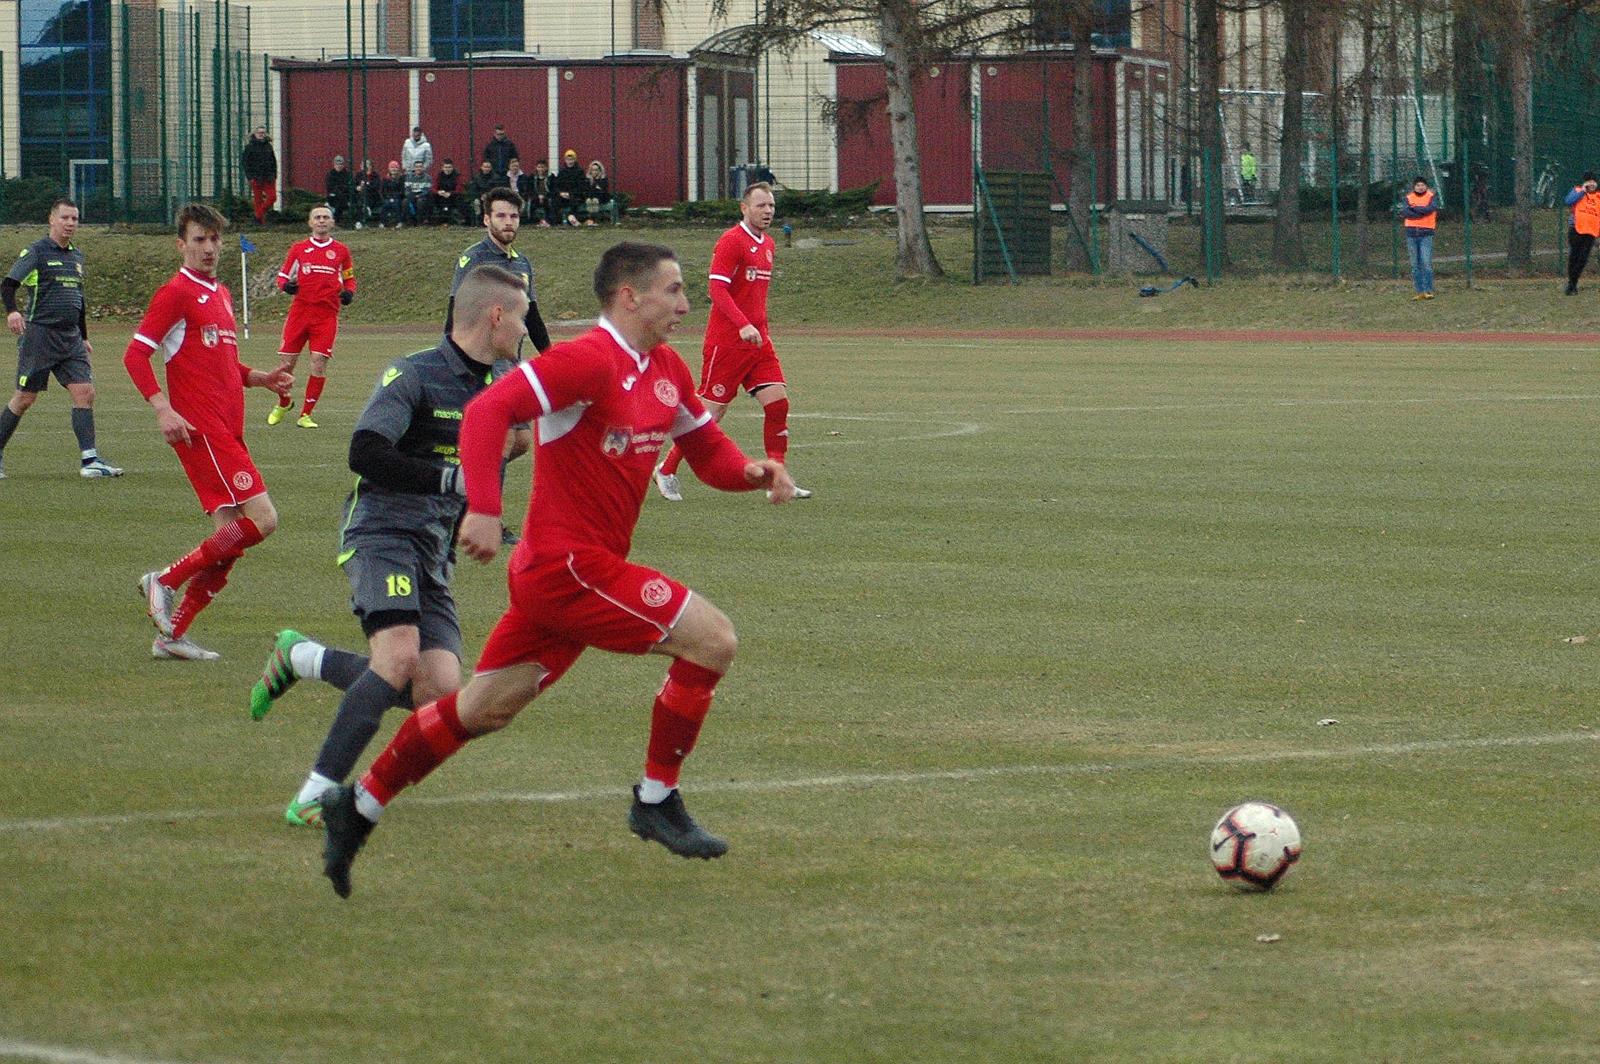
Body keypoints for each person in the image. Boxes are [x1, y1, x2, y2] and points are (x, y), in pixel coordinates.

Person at [316, 241, 798, 898]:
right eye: (675, 290)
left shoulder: (666, 371)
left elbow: (708, 453)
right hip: (569, 566)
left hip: (566, 578)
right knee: (714, 639)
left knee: (481, 710)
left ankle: (359, 806)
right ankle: (656, 799)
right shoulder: (585, 360)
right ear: (630, 296)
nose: (687, 304)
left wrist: (751, 471)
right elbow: (490, 411)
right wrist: (483, 508)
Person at [248, 266, 528, 826]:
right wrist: (450, 481)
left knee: (439, 693)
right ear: (495, 315)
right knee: (397, 656)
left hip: (432, 547)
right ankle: (315, 792)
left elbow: (508, 443)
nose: (525, 330)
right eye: (520, 317)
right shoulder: (413, 374)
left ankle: (302, 657)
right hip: (382, 530)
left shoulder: (502, 382)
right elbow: (365, 452)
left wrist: (489, 505)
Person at [122, 203, 293, 661]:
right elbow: (135, 356)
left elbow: (221, 364)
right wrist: (162, 409)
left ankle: (171, 636)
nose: (209, 247)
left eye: (215, 239)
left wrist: (260, 378)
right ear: (181, 245)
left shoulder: (218, 292)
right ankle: (165, 580)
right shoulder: (175, 293)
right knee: (264, 519)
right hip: (202, 430)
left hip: (228, 430)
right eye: (199, 239)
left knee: (228, 544)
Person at [655, 182, 811, 502]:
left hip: (758, 342)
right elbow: (717, 291)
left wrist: (758, 329)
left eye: (770, 206)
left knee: (778, 403)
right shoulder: (731, 241)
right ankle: (666, 470)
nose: (767, 211)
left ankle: (777, 478)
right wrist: (741, 326)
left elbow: (754, 296)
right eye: (760, 206)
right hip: (727, 343)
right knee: (709, 416)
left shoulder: (768, 243)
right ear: (744, 208)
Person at [445, 186, 554, 545]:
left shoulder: (522, 264)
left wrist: (549, 354)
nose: (508, 223)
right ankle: (484, 517)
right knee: (504, 438)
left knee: (521, 441)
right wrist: (454, 358)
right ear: (486, 219)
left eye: (513, 217)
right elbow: (456, 309)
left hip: (512, 362)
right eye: (501, 216)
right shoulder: (474, 259)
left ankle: (461, 494)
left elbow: (532, 314)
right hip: (482, 360)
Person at [0, 198, 122, 480]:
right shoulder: (36, 252)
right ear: (52, 220)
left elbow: (78, 299)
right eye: (65, 218)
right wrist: (13, 312)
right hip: (40, 336)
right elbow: (8, 285)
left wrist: (84, 336)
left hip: (70, 339)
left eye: (75, 219)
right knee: (24, 399)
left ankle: (90, 460)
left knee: (85, 392)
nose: (70, 223)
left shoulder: (76, 257)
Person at [268, 205, 356, 429]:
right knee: (286, 366)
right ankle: (284, 402)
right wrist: (286, 286)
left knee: (318, 362)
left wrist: (349, 293)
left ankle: (306, 414)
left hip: (326, 316)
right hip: (300, 313)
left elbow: (349, 278)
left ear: (332, 222)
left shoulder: (341, 251)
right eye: (317, 217)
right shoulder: (299, 249)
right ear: (310, 223)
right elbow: (282, 277)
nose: (321, 221)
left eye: (326, 217)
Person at [1401, 176, 1438, 301]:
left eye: (1422, 185)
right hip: (1411, 234)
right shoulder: (1408, 198)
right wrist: (1421, 212)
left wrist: (1415, 209)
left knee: (1426, 262)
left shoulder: (1431, 196)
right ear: (1414, 187)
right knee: (1415, 265)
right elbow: (1406, 212)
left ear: (1426, 186)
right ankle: (1419, 291)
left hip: (1426, 234)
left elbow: (1430, 209)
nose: (1420, 187)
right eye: (1418, 185)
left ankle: (1428, 290)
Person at [1564, 173, 1600, 295]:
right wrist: (1582, 192)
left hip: (1591, 232)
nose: (1592, 183)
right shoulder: (1577, 190)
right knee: (1574, 256)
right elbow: (1568, 201)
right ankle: (1572, 284)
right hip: (1576, 229)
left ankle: (1572, 283)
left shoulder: (1598, 197)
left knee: (1582, 259)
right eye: (1589, 181)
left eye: (1594, 181)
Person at [241, 126, 278, 224]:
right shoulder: (249, 147)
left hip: (269, 178)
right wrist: (250, 177)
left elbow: (273, 161)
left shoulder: (268, 146)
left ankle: (257, 215)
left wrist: (274, 175)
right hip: (256, 178)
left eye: (263, 132)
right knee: (258, 200)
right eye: (259, 133)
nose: (261, 134)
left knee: (272, 197)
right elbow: (245, 163)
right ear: (254, 134)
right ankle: (260, 221)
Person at [551, 148, 586, 226]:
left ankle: (572, 218)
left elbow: (581, 187)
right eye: (568, 159)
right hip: (563, 195)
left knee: (575, 201)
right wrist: (561, 193)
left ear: (575, 160)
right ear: (565, 160)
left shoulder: (580, 172)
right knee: (554, 201)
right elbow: (557, 185)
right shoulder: (562, 172)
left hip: (575, 195)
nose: (570, 161)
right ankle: (556, 221)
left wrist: (570, 194)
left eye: (571, 159)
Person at [325, 156, 356, 227]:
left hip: (346, 195)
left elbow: (350, 186)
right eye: (337, 164)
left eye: (341, 164)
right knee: (340, 200)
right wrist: (341, 189)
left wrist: (343, 188)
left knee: (347, 200)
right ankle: (336, 221)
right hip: (334, 196)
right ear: (334, 164)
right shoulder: (330, 174)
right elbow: (331, 187)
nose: (339, 166)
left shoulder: (347, 174)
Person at [582, 160, 612, 225]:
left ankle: (595, 220)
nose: (594, 172)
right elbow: (586, 190)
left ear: (600, 170)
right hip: (590, 197)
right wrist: (595, 188)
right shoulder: (587, 179)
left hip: (602, 198)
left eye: (596, 170)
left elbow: (602, 191)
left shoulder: (603, 179)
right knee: (589, 200)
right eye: (592, 170)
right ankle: (590, 220)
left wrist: (597, 181)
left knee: (595, 200)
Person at [527, 159, 556, 227]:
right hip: (535, 197)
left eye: (542, 167)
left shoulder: (551, 177)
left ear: (546, 168)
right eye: (539, 167)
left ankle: (548, 221)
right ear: (536, 168)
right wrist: (538, 196)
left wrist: (544, 196)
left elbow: (554, 190)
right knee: (532, 204)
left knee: (550, 204)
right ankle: (535, 221)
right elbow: (529, 190)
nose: (541, 169)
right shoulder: (532, 178)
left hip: (547, 197)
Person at [403, 162, 433, 227]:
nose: (418, 168)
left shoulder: (428, 177)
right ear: (414, 168)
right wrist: (411, 196)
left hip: (423, 196)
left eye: (420, 167)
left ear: (423, 168)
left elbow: (427, 190)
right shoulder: (409, 177)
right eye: (417, 167)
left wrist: (419, 196)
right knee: (405, 202)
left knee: (420, 201)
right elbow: (407, 189)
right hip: (412, 195)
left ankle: (420, 221)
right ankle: (410, 221)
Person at [356, 158, 382, 228]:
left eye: (367, 164)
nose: (365, 166)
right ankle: (360, 221)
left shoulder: (375, 175)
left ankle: (366, 210)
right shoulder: (358, 175)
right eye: (363, 165)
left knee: (363, 196)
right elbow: (353, 185)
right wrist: (357, 188)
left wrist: (365, 187)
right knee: (359, 201)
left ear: (371, 166)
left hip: (373, 197)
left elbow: (376, 187)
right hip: (360, 197)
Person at [379, 161, 405, 228]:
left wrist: (395, 197)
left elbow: (402, 191)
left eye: (395, 167)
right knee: (385, 205)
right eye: (392, 167)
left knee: (396, 204)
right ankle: (382, 222)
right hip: (387, 198)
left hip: (398, 198)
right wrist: (388, 198)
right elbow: (383, 191)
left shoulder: (401, 178)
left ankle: (400, 222)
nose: (393, 169)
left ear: (398, 169)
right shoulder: (385, 179)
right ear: (389, 169)